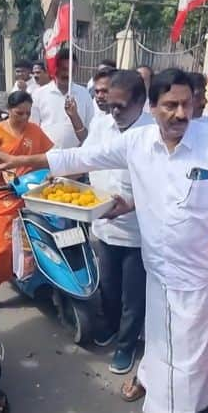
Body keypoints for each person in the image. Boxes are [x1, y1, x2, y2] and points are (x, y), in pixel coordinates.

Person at [0, 68, 208, 413]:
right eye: (171, 105)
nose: (181, 114)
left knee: (191, 349)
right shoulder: (138, 142)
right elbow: (78, 158)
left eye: (186, 105)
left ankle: (178, 405)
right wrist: (19, 160)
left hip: (198, 273)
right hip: (157, 267)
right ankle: (167, 393)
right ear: (154, 107)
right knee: (160, 341)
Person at [85, 70, 152, 375]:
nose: (113, 111)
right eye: (110, 104)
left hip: (138, 234)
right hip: (103, 225)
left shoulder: (154, 133)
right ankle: (110, 328)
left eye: (120, 106)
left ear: (141, 102)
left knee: (132, 297)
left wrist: (131, 207)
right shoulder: (101, 124)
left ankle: (125, 347)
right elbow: (85, 158)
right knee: (108, 287)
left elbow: (161, 188)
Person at [0, 90, 53, 320]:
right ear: (9, 110)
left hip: (33, 191)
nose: (25, 117)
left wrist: (50, 174)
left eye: (28, 113)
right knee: (3, 246)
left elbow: (49, 157)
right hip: (2, 193)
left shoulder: (34, 131)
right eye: (20, 113)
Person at [30, 48, 94, 149]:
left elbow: (91, 127)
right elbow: (33, 128)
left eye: (71, 70)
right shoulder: (38, 94)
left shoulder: (84, 94)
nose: (67, 74)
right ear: (55, 68)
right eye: (64, 69)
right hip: (47, 157)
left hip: (76, 157)